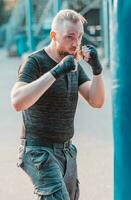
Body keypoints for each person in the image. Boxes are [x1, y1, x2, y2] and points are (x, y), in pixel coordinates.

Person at [11, 9, 105, 200]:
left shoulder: (73, 64)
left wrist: (97, 70)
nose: (76, 43)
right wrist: (55, 72)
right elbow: (17, 101)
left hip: (66, 151)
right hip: (38, 150)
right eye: (70, 36)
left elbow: (96, 100)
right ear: (53, 35)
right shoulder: (35, 61)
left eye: (79, 36)